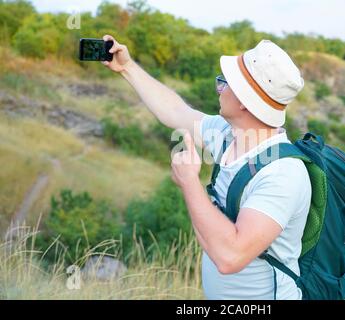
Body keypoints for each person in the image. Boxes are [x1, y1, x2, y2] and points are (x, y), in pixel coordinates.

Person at [102, 35, 312, 300]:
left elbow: (230, 257)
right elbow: (175, 111)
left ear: (245, 101)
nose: (218, 88)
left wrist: (189, 182)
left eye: (226, 83)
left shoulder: (282, 174)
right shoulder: (227, 135)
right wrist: (127, 67)